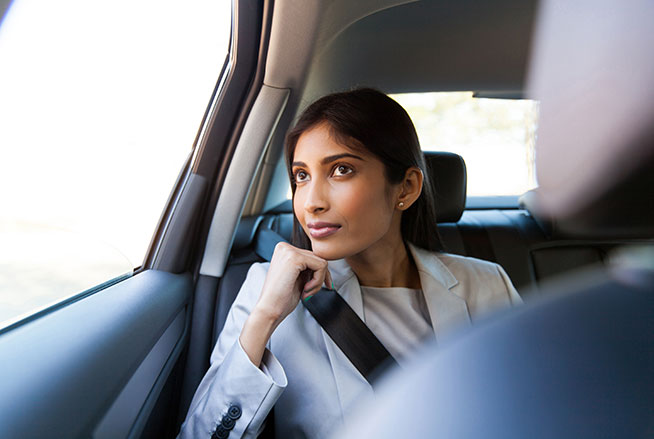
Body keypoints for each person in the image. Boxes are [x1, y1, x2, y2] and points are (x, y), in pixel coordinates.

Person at [178, 88, 522, 439]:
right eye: (301, 176)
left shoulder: (487, 285)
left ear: (405, 188)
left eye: (341, 170)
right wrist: (265, 317)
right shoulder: (266, 290)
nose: (311, 202)